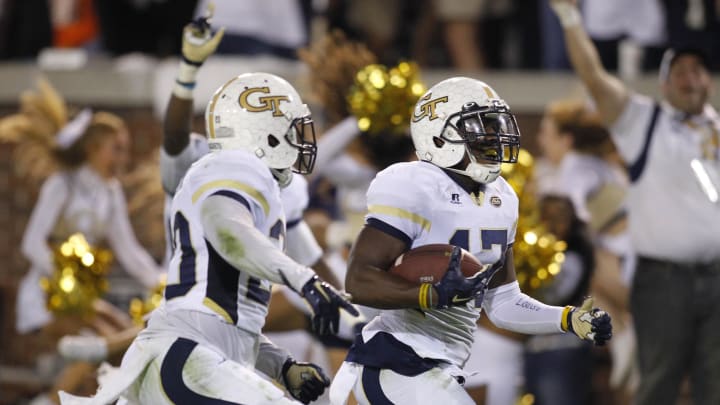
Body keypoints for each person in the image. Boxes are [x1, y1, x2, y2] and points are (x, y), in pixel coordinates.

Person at [328, 76, 612, 405]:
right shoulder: (414, 184)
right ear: (439, 135)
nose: (493, 137)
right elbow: (359, 279)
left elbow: (503, 303)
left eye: (496, 126)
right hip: (394, 361)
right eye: (481, 128)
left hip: (435, 368)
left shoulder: (502, 198)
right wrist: (428, 294)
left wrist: (566, 319)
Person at [551, 2, 720, 404]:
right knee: (658, 381)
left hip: (717, 278)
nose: (689, 78)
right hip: (663, 280)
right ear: (663, 84)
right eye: (679, 71)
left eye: (697, 70)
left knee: (715, 386)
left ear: (709, 80)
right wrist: (571, 19)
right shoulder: (643, 122)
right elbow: (593, 78)